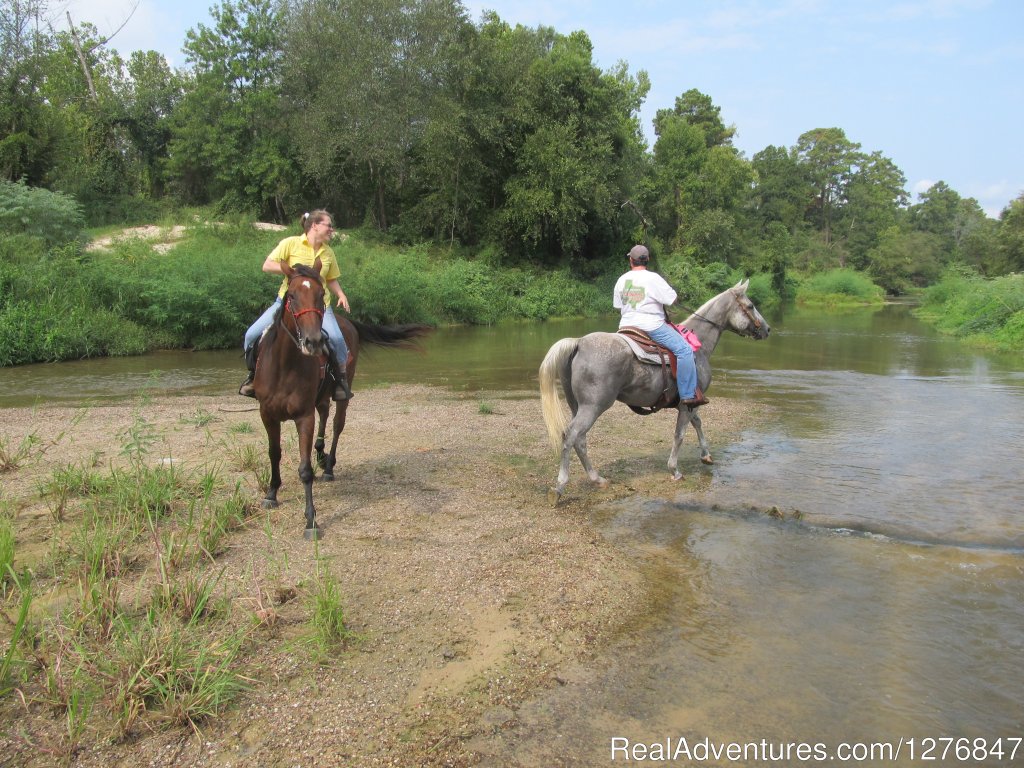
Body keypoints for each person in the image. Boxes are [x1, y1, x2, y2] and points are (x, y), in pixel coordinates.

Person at [239, 210, 353, 401]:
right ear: (315, 225)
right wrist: (293, 272)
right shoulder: (290, 243)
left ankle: (341, 380)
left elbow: (331, 278)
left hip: (319, 306)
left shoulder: (328, 252)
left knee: (336, 338)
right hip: (286, 303)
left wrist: (340, 294)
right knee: (251, 335)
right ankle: (253, 376)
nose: (331, 230)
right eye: (328, 225)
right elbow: (267, 265)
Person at [613, 244, 708, 407]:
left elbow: (618, 306)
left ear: (631, 260)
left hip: (625, 326)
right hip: (651, 326)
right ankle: (688, 395)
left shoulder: (622, 280)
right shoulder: (653, 278)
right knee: (684, 350)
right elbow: (672, 299)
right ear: (647, 259)